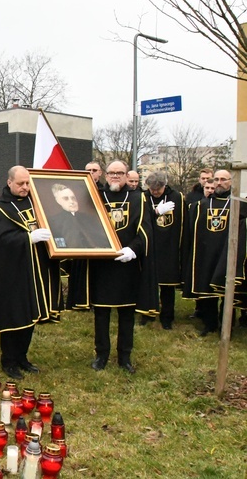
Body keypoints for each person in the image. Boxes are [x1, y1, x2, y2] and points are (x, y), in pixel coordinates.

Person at [0, 166, 61, 380]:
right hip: (11, 274)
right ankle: (9, 360)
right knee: (13, 316)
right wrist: (27, 239)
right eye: (20, 184)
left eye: (27, 183)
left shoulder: (37, 203)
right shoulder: (0, 209)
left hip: (35, 271)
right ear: (9, 182)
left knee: (31, 316)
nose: (25, 188)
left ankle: (22, 357)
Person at [73, 160, 157, 374]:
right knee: (101, 313)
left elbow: (146, 231)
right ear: (105, 175)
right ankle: (101, 355)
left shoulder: (139, 198)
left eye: (120, 173)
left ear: (126, 175)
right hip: (102, 265)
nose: (115, 176)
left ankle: (124, 356)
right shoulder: (96, 197)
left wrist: (132, 250)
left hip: (127, 266)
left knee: (126, 313)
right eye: (112, 173)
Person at [182, 169, 247, 336]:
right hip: (206, 253)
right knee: (207, 290)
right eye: (216, 179)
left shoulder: (239, 204)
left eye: (223, 179)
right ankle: (209, 324)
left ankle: (227, 326)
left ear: (231, 182)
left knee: (228, 292)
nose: (219, 182)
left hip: (227, 254)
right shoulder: (201, 205)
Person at [143, 171, 186, 330]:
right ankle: (147, 313)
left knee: (168, 286)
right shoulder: (144, 197)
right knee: (148, 284)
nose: (154, 192)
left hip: (169, 246)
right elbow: (141, 218)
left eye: (158, 190)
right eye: (152, 190)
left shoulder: (176, 197)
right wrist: (155, 212)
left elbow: (182, 222)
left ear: (164, 186)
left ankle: (167, 317)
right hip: (150, 245)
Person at [47, 183, 109, 248]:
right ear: (58, 201)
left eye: (73, 198)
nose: (72, 201)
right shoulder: (53, 222)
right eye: (66, 198)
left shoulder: (89, 219)